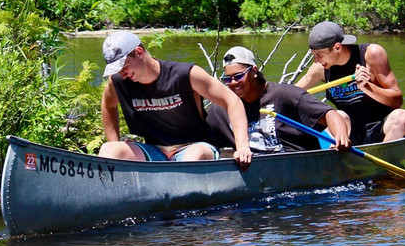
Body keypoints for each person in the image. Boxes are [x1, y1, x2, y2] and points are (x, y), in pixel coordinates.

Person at [100, 31, 253, 166]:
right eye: (117, 70)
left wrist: (242, 147)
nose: (122, 74)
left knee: (193, 157)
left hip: (195, 146)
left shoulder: (185, 74)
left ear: (139, 52)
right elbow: (108, 105)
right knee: (109, 149)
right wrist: (116, 142)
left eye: (124, 67)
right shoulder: (118, 82)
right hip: (154, 150)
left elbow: (232, 101)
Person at [206, 46, 350, 153]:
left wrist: (341, 137)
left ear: (254, 71)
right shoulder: (221, 109)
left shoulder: (285, 94)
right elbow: (201, 137)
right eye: (227, 79)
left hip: (296, 166)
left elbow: (330, 114)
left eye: (238, 76)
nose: (233, 83)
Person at [296, 21, 405, 145]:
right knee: (337, 115)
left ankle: (385, 156)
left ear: (337, 47)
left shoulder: (371, 54)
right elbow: (292, 93)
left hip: (382, 125)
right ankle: (332, 156)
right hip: (349, 130)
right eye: (314, 55)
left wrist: (367, 87)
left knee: (402, 117)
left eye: (319, 54)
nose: (316, 60)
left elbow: (397, 100)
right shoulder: (320, 68)